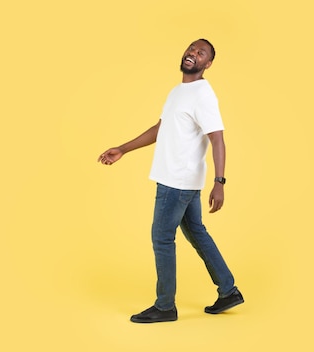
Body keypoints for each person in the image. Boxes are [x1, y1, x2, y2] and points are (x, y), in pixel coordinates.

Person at [97, 39, 244, 323]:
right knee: (197, 233)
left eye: (201, 53)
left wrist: (220, 181)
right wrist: (123, 149)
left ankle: (165, 306)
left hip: (177, 181)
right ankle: (228, 290)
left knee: (162, 238)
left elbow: (217, 138)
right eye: (191, 48)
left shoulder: (203, 94)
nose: (193, 53)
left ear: (208, 64)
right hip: (179, 180)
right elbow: (160, 128)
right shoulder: (179, 92)